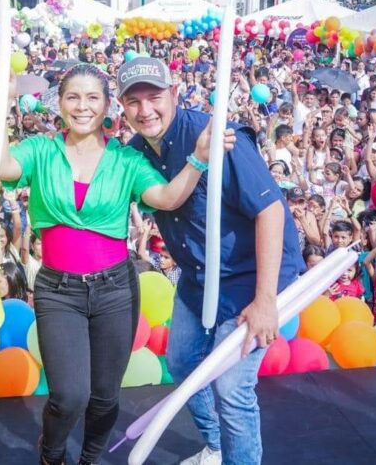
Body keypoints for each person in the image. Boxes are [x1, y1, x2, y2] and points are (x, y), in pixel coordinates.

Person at [0, 62, 235, 465]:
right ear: (60, 103)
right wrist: (5, 102)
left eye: (92, 98)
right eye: (73, 97)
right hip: (58, 290)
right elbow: (3, 169)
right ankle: (51, 456)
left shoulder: (125, 160)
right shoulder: (39, 149)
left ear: (108, 106)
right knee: (69, 396)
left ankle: (89, 459)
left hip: (115, 290)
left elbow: (166, 197)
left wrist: (198, 159)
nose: (82, 106)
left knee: (104, 398)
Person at [117, 56, 304, 465]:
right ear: (122, 106)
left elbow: (270, 212)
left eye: (154, 97)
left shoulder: (220, 136)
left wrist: (266, 300)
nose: (145, 110)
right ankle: (217, 446)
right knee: (183, 363)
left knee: (232, 388)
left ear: (175, 94)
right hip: (199, 275)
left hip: (252, 273)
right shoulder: (133, 154)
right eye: (133, 102)